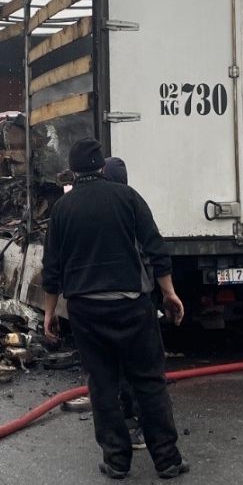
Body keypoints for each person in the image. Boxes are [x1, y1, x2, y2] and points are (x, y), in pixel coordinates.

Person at [43, 138, 189, 480]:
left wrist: (50, 313)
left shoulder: (62, 210)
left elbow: (52, 269)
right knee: (149, 382)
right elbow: (156, 249)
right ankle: (167, 460)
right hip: (132, 306)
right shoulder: (128, 198)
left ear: (74, 170)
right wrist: (169, 294)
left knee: (103, 384)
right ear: (101, 167)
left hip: (86, 311)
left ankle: (117, 460)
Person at [101, 155, 147, 451]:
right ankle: (137, 422)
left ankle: (130, 424)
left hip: (111, 299)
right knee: (139, 367)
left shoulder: (108, 208)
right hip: (137, 298)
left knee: (116, 368)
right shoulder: (133, 202)